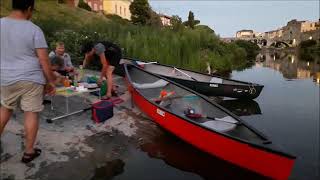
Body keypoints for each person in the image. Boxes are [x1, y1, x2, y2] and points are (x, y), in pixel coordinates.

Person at [0, 0, 56, 163]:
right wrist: (50, 81)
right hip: (31, 78)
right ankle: (29, 152)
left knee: (5, 109)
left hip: (5, 77)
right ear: (29, 8)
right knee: (31, 113)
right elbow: (44, 60)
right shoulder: (34, 29)